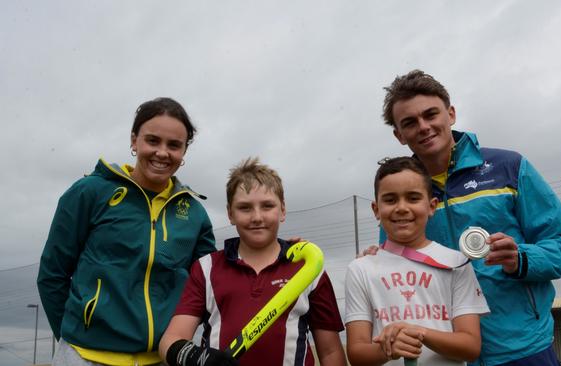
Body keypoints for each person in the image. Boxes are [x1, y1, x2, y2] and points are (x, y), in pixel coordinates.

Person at [375, 70, 561, 365]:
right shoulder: (399, 192)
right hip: (445, 356)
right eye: (409, 122)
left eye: (431, 114)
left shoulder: (509, 167)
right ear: (399, 135)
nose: (423, 127)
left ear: (451, 114)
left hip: (522, 348)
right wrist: (374, 258)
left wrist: (521, 258)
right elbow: (392, 271)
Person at [37, 97, 216, 365]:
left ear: (184, 151)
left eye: (174, 145)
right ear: (134, 140)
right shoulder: (90, 192)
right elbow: (52, 274)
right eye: (152, 141)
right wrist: (73, 335)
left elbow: (211, 283)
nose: (162, 153)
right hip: (84, 357)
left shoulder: (193, 212)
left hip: (160, 360)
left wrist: (282, 253)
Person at [159, 157, 346, 366]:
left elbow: (330, 352)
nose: (257, 217)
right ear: (230, 213)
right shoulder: (206, 268)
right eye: (245, 208)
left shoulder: (308, 269)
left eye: (267, 206)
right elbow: (170, 341)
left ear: (282, 210)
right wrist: (197, 358)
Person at [345, 157, 490, 365]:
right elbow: (357, 353)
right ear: (376, 210)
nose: (401, 208)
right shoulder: (360, 268)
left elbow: (470, 346)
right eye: (390, 199)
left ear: (432, 206)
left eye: (413, 198)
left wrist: (419, 332)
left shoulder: (456, 262)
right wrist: (388, 350)